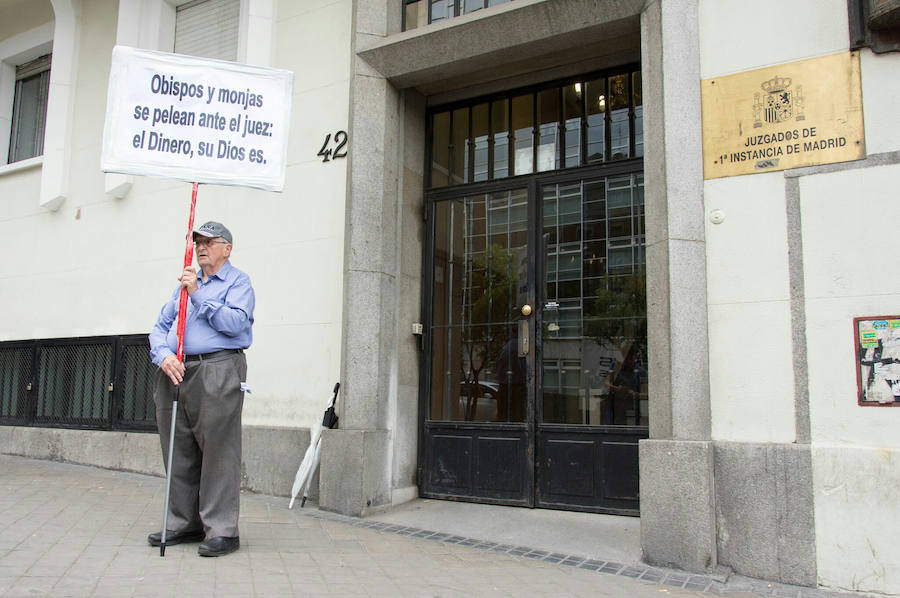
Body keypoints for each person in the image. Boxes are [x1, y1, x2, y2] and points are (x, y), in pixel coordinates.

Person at [147, 221, 255, 557]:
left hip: (218, 367)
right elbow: (160, 326)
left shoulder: (237, 283)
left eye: (210, 242)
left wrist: (198, 295)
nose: (202, 248)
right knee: (178, 448)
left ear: (228, 248)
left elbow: (236, 324)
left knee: (218, 451)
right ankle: (184, 522)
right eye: (198, 243)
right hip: (177, 370)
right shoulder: (184, 284)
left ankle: (222, 530)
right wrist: (163, 355)